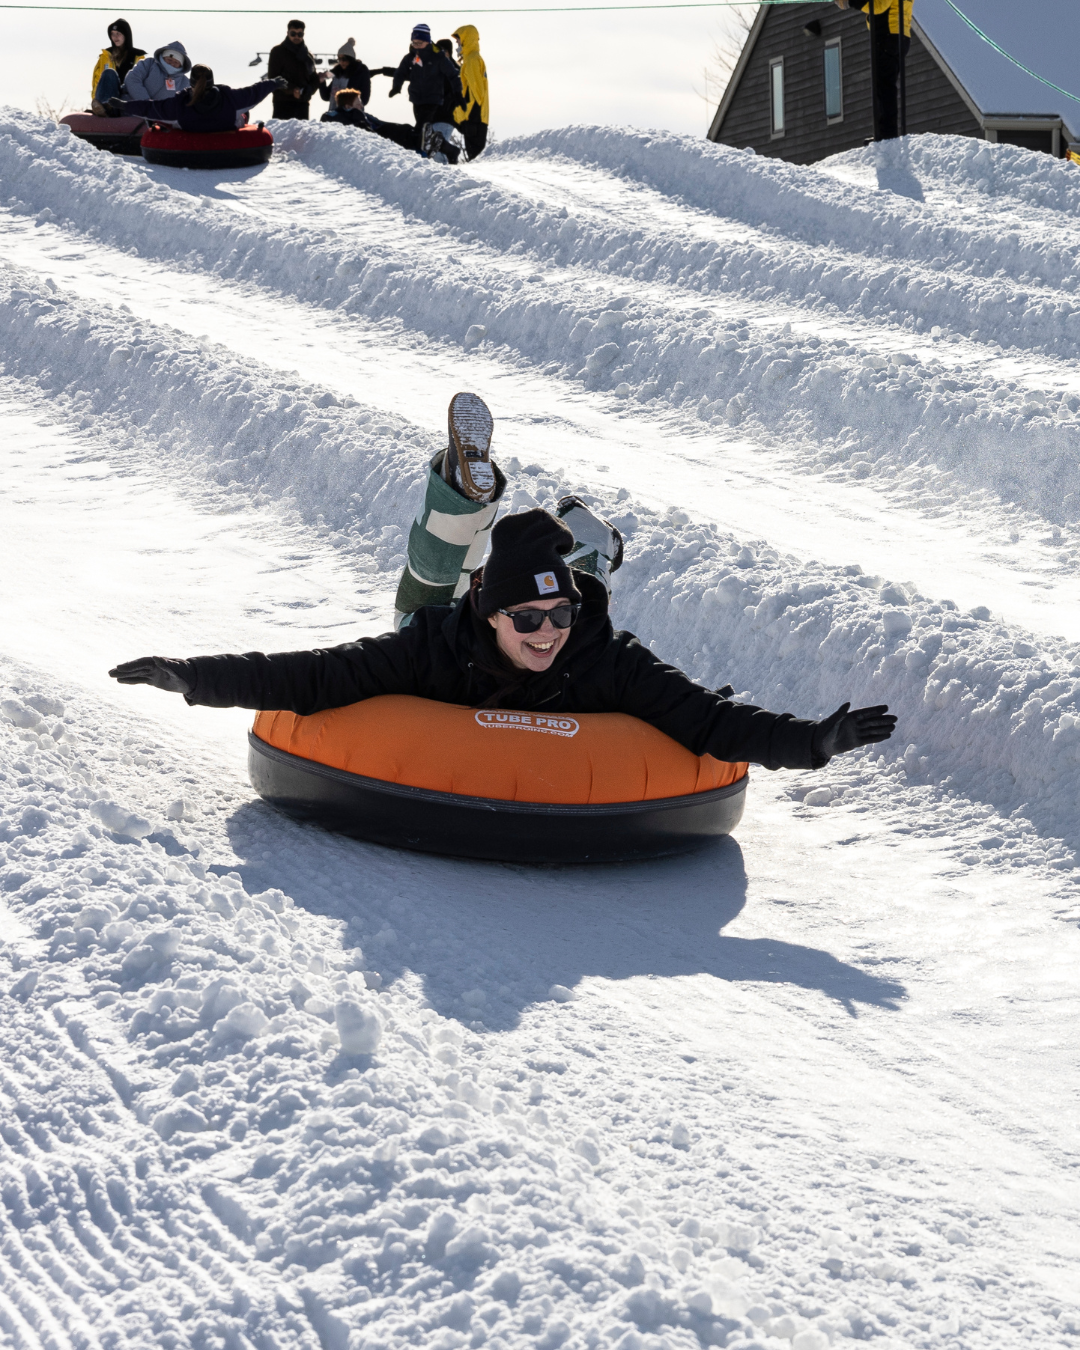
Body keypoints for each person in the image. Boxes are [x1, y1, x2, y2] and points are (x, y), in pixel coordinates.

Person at [109, 392, 897, 782]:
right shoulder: (436, 647)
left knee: (490, 579)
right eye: (527, 620)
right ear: (493, 619)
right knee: (425, 594)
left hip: (496, 598)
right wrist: (193, 677)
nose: (548, 633)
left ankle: (512, 524)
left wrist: (814, 742)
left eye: (559, 615)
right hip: (449, 618)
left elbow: (710, 721)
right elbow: (310, 677)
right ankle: (516, 516)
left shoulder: (600, 655)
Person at [112, 65, 282, 133]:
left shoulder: (180, 103)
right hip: (226, 130)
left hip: (190, 131)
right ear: (212, 81)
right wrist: (273, 83)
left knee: (164, 119)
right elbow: (254, 92)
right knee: (243, 112)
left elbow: (150, 108)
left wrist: (125, 105)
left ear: (191, 82)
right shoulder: (229, 97)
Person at [835, 0, 912, 141]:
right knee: (885, 86)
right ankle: (886, 134)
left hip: (888, 35)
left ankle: (886, 135)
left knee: (884, 87)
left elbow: (879, 6)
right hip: (899, 33)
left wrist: (850, 1)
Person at [386, 22, 461, 146]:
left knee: (423, 130)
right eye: (414, 43)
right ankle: (440, 150)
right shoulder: (414, 58)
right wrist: (396, 86)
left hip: (440, 110)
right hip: (418, 99)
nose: (416, 46)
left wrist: (457, 98)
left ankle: (425, 147)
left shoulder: (443, 63)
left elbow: (455, 81)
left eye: (419, 43)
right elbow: (401, 72)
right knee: (425, 134)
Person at [90, 18, 145, 116]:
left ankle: (117, 109)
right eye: (112, 34)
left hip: (126, 100)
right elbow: (97, 81)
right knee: (109, 73)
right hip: (108, 97)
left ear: (126, 35)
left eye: (118, 33)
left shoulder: (138, 58)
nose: (115, 37)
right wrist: (95, 99)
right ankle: (105, 107)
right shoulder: (105, 57)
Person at [268, 19, 320, 120]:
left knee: (302, 135)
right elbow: (274, 77)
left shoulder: (308, 55)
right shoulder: (277, 51)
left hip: (302, 103)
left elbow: (313, 78)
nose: (296, 37)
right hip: (282, 103)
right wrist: (293, 90)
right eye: (293, 33)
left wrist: (307, 91)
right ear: (288, 33)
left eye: (299, 34)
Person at [450, 24, 488, 161]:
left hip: (474, 119)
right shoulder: (471, 59)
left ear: (466, 39)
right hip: (476, 118)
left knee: (475, 159)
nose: (457, 43)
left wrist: (463, 116)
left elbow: (475, 93)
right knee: (474, 158)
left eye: (458, 40)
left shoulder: (472, 60)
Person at [123, 41, 191, 103]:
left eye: (176, 62)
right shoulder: (149, 64)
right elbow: (132, 78)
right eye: (169, 60)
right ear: (163, 57)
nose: (172, 64)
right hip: (130, 106)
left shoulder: (185, 82)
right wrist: (145, 103)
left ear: (181, 64)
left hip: (159, 115)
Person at [317, 38, 372, 110]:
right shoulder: (337, 74)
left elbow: (364, 99)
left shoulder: (361, 73)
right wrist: (322, 82)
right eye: (339, 59)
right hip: (335, 115)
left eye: (344, 59)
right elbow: (326, 97)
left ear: (351, 59)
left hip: (352, 116)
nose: (341, 62)